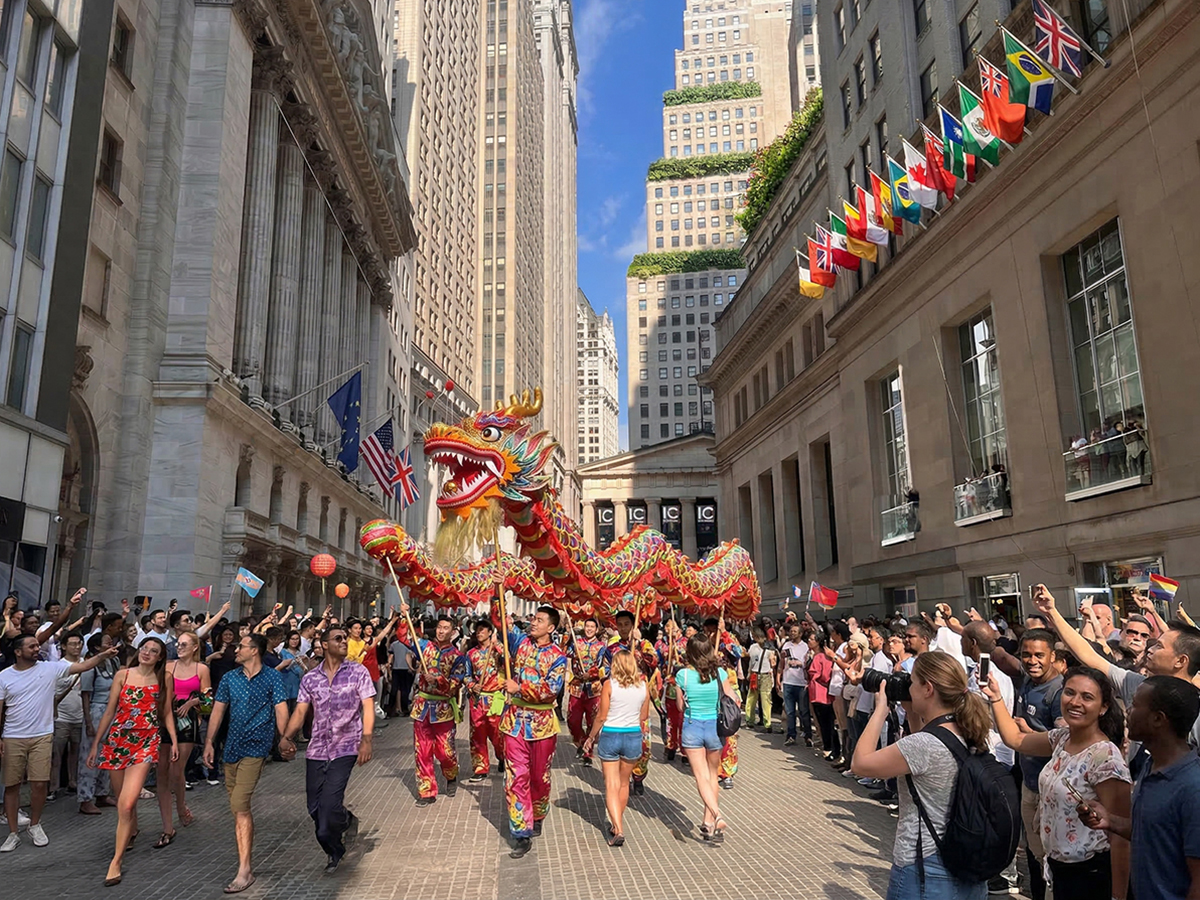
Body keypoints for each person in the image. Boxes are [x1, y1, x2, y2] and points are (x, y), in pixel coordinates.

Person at [851, 651, 993, 900]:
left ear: (928, 688)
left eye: (912, 682)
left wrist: (880, 710)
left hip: (924, 867)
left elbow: (860, 764)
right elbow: (922, 758)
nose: (908, 687)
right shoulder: (969, 731)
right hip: (966, 862)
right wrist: (913, 711)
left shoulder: (924, 745)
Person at [986, 665, 1131, 900]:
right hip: (1058, 868)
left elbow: (1121, 835)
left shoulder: (1105, 758)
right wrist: (996, 698)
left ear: (1103, 707)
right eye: (1069, 692)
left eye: (1087, 697)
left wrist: (1118, 897)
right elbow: (1016, 739)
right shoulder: (1062, 738)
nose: (1075, 702)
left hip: (1090, 875)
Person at [1033, 585, 1200, 766]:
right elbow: (1088, 655)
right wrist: (1052, 612)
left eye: (1159, 647)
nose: (1149, 649)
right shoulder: (1136, 683)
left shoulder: (1196, 712)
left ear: (1181, 661)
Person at [0, 617, 119, 854]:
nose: (37, 649)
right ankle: (13, 832)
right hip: (13, 736)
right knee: (11, 785)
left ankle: (35, 824)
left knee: (39, 783)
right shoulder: (4, 676)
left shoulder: (49, 668)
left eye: (37, 645)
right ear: (18, 652)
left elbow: (82, 667)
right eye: (32, 646)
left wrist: (102, 656)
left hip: (43, 734)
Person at [1078, 677, 1200, 900]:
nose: (1127, 711)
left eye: (1134, 704)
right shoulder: (1151, 764)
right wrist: (1110, 820)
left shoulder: (1193, 789)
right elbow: (1153, 834)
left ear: (1157, 719)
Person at [279, 624, 375, 873]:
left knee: (329, 806)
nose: (345, 641)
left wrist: (366, 739)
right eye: (338, 638)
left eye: (345, 637)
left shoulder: (358, 672)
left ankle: (335, 847)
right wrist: (286, 737)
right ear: (324, 645)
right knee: (314, 808)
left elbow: (367, 706)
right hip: (317, 748)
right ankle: (338, 836)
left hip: (347, 746)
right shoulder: (310, 678)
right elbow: (300, 711)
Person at [202, 634, 289, 894]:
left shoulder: (272, 677)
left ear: (255, 651)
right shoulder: (230, 678)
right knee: (238, 808)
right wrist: (209, 742)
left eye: (241, 646)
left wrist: (284, 739)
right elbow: (218, 710)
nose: (236, 649)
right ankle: (245, 863)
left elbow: (281, 708)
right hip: (231, 748)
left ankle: (244, 870)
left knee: (240, 804)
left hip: (257, 746)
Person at [87, 637, 177, 882]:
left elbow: (166, 711)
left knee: (127, 802)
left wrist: (174, 740)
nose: (147, 653)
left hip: (146, 742)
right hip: (118, 740)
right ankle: (132, 829)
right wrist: (96, 744)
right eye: (144, 648)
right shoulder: (122, 675)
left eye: (153, 651)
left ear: (160, 657)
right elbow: (110, 711)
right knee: (122, 803)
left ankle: (116, 861)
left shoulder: (164, 678)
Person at [498, 603, 567, 859]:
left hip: (542, 725)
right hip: (514, 721)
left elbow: (551, 689)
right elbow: (503, 622)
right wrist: (497, 594)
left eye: (539, 620)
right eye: (533, 619)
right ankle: (521, 831)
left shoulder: (559, 657)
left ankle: (538, 813)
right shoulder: (519, 642)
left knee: (539, 777)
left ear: (550, 627)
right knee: (516, 777)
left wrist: (521, 688)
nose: (534, 623)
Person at [393, 609, 466, 804]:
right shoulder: (423, 646)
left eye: (446, 628)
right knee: (422, 750)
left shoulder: (458, 656)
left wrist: (439, 679)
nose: (441, 631)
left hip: (443, 708)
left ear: (453, 632)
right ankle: (426, 791)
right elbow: (403, 636)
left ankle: (451, 774)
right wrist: (403, 617)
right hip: (422, 707)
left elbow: (455, 684)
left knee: (445, 750)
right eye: (440, 627)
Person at [675, 634, 739, 842]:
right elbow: (733, 699)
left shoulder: (682, 675)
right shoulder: (721, 674)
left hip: (693, 726)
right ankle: (709, 822)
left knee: (701, 777)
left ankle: (717, 814)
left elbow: (679, 707)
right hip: (715, 727)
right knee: (713, 775)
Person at [583, 649, 650, 847]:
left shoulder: (609, 685)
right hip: (632, 735)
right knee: (623, 783)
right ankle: (616, 821)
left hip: (611, 733)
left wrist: (591, 736)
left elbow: (602, 716)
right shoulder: (643, 686)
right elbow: (644, 716)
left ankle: (618, 827)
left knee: (610, 784)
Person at [157, 631, 210, 833]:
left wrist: (194, 702)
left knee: (176, 768)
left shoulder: (201, 669)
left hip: (187, 719)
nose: (179, 647)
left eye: (184, 644)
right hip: (166, 715)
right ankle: (170, 814)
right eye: (178, 644)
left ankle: (180, 806)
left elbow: (208, 702)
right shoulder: (169, 666)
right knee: (162, 767)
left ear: (194, 647)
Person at [604, 610, 658, 795]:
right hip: (619, 700)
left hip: (638, 698)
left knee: (643, 742)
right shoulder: (612, 649)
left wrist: (640, 643)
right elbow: (604, 670)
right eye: (620, 625)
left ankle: (638, 776)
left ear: (634, 625)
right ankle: (621, 778)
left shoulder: (644, 644)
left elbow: (654, 662)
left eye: (627, 624)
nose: (624, 628)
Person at [78, 632, 120, 815]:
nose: (110, 641)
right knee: (90, 753)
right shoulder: (91, 665)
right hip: (96, 709)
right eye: (106, 640)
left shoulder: (114, 662)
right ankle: (85, 798)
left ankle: (102, 793)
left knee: (109, 752)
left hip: (113, 710)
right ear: (96, 647)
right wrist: (88, 721)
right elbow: (86, 695)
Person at [704, 615, 743, 787]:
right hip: (709, 691)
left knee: (729, 733)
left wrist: (724, 633)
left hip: (728, 692)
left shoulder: (727, 641)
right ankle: (712, 767)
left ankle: (727, 772)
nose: (709, 635)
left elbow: (738, 653)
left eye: (712, 631)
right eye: (706, 632)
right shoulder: (703, 646)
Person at [465, 619, 505, 783]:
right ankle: (480, 768)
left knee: (498, 734)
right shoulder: (470, 654)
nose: (479, 632)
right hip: (478, 700)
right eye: (477, 630)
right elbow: (466, 675)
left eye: (483, 629)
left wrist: (498, 646)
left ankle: (503, 757)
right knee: (477, 735)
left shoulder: (498, 651)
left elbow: (510, 662)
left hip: (495, 697)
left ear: (490, 632)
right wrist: (472, 685)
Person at [47, 631, 85, 801]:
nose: (76, 647)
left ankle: (73, 782)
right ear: (63, 646)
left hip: (81, 716)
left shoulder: (86, 664)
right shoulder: (57, 666)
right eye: (72, 644)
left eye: (79, 643)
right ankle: (53, 787)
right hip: (61, 717)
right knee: (57, 754)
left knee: (76, 753)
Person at [565, 617, 606, 767]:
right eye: (587, 626)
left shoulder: (602, 646)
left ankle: (588, 752)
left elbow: (602, 666)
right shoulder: (577, 643)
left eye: (592, 627)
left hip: (593, 689)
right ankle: (581, 742)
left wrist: (592, 674)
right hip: (577, 686)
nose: (589, 629)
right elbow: (566, 653)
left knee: (592, 721)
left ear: (596, 629)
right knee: (573, 720)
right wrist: (569, 637)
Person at [655, 618, 688, 761]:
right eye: (667, 626)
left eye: (672, 626)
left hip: (684, 686)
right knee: (671, 719)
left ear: (679, 629)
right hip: (669, 686)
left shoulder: (686, 643)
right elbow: (657, 662)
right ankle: (671, 745)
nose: (669, 628)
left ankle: (685, 750)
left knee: (683, 719)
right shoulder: (661, 645)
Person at [778, 621, 811, 747]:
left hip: (801, 682)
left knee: (804, 711)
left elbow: (809, 664)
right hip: (788, 681)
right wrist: (778, 676)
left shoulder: (805, 647)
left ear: (801, 634)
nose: (792, 633)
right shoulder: (786, 645)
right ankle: (791, 736)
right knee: (790, 711)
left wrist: (800, 664)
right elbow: (781, 663)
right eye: (791, 631)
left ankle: (808, 735)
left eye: (794, 632)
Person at [807, 632, 837, 760]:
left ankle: (827, 747)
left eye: (812, 639)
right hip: (824, 693)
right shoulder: (825, 656)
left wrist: (814, 676)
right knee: (827, 722)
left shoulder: (820, 657)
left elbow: (822, 675)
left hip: (820, 693)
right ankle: (828, 746)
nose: (809, 641)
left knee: (825, 722)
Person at [743, 627, 776, 730]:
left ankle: (761, 722)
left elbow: (772, 663)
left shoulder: (767, 648)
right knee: (756, 699)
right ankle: (757, 722)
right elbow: (751, 661)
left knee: (761, 699)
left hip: (762, 674)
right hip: (758, 674)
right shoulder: (755, 647)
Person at [388, 628, 414, 718]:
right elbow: (409, 657)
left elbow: (390, 656)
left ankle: (390, 710)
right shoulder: (408, 645)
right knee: (404, 690)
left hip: (396, 669)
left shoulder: (394, 644)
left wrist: (389, 666)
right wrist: (411, 668)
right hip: (405, 669)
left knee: (394, 690)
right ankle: (405, 710)